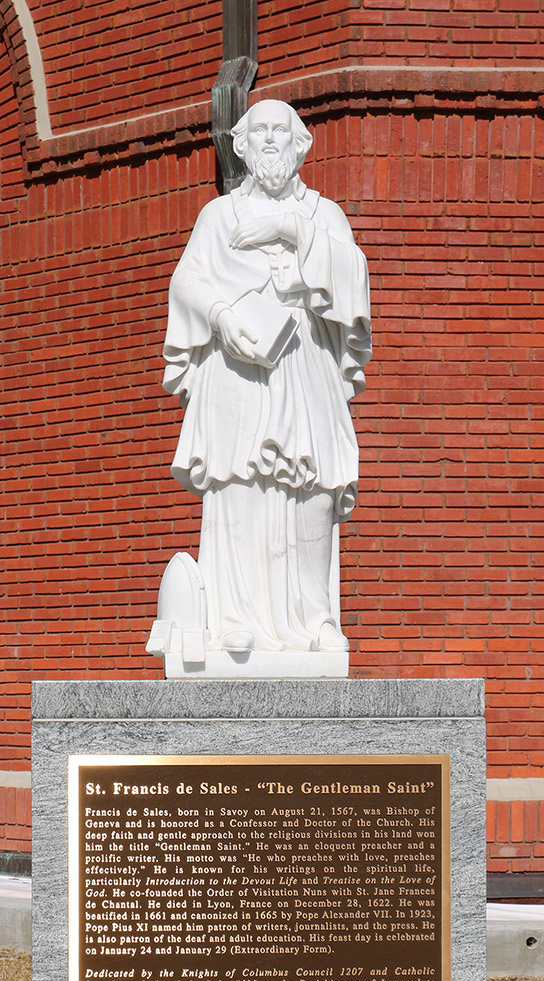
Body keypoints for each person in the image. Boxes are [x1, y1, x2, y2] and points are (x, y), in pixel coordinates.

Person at [159, 98, 371, 660]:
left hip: (305, 360)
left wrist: (289, 230)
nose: (272, 141)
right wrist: (224, 318)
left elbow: (353, 276)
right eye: (260, 133)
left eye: (283, 131)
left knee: (313, 485)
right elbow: (187, 283)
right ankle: (235, 616)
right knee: (241, 483)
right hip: (238, 369)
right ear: (242, 146)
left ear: (301, 145)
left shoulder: (325, 214)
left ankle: (316, 618)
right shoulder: (219, 216)